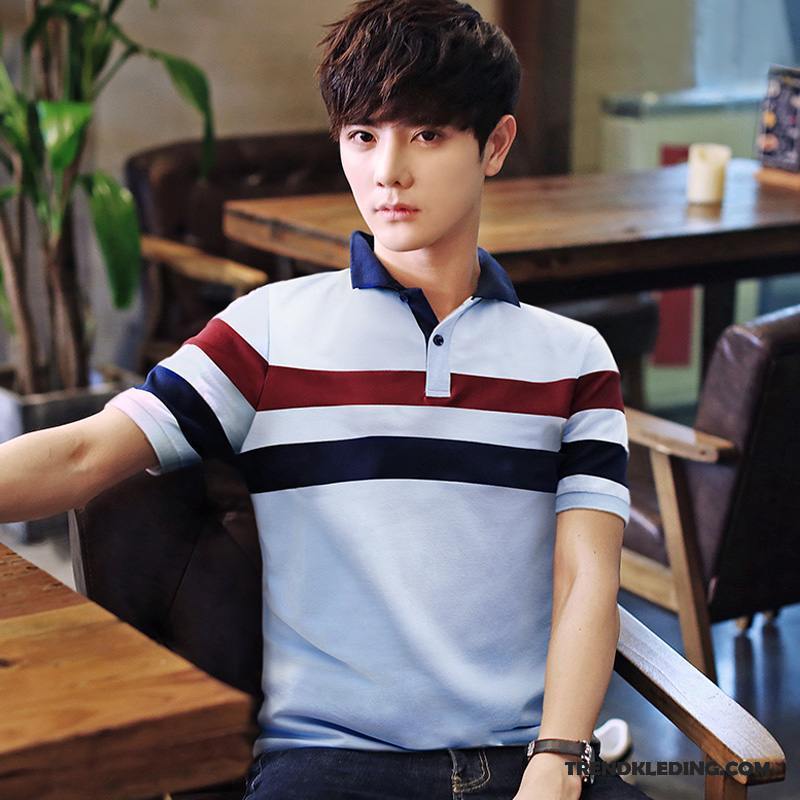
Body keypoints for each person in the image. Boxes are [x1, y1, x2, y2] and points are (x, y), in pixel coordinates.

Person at [0, 1, 649, 798]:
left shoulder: (575, 360)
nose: (388, 172)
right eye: (363, 136)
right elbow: (82, 453)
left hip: (529, 758)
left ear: (496, 145)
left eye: (427, 135)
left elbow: (588, 579)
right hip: (328, 765)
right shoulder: (269, 331)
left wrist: (560, 759)